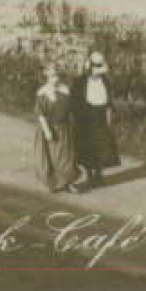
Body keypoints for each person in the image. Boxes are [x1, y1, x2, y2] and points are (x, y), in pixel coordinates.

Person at [72, 51, 121, 187]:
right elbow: (74, 101)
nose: (97, 72)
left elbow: (109, 101)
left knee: (102, 145)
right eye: (94, 69)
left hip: (101, 115)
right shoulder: (80, 81)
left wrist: (109, 115)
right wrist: (77, 117)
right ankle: (89, 174)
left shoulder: (105, 81)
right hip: (86, 116)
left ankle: (99, 174)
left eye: (99, 69)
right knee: (87, 146)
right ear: (89, 68)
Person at [33, 62, 81, 193]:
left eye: (57, 76)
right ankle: (54, 183)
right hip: (50, 127)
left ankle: (69, 182)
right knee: (52, 157)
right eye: (53, 76)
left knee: (67, 156)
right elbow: (40, 114)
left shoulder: (65, 90)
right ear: (47, 76)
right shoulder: (42, 93)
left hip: (64, 128)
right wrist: (47, 131)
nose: (55, 79)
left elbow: (71, 109)